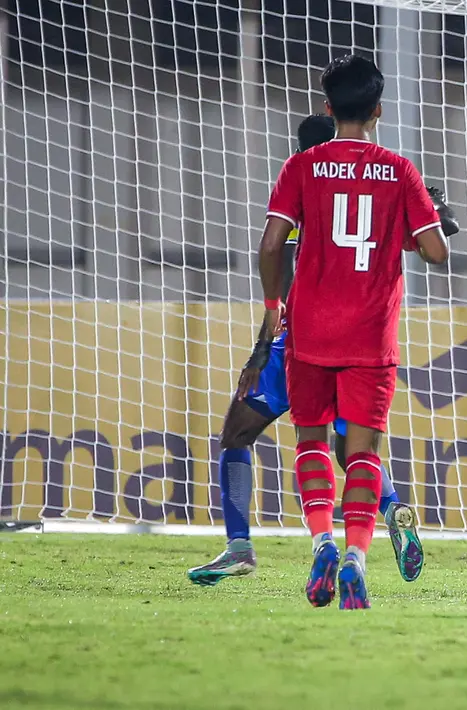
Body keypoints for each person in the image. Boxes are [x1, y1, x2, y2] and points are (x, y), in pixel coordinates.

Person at [187, 115, 419, 587]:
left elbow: (283, 273)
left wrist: (259, 351)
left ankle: (239, 548)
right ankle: (394, 511)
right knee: (350, 450)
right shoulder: (375, 190)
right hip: (356, 344)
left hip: (298, 347)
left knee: (237, 434)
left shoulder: (306, 188)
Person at [259, 54, 454, 609]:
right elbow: (437, 252)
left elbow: (272, 244)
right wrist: (413, 230)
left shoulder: (303, 166)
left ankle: (321, 540)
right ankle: (356, 559)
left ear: (327, 107)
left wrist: (274, 305)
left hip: (310, 332)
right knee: (363, 452)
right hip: (370, 337)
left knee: (313, 440)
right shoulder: (399, 170)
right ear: (378, 111)